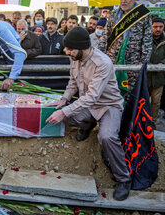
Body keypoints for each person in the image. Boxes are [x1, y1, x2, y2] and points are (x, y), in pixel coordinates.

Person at [46, 27, 131, 201]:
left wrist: (65, 111)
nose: (66, 52)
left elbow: (93, 96)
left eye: (70, 49)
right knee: (66, 117)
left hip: (108, 106)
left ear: (82, 47)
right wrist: (64, 99)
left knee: (106, 137)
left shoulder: (103, 63)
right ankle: (87, 124)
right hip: (88, 104)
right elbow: (72, 82)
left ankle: (124, 179)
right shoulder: (75, 57)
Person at [99, 0, 152, 96]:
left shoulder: (143, 14)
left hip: (133, 61)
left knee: (130, 92)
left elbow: (147, 40)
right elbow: (105, 36)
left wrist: (144, 60)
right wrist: (101, 56)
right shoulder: (113, 15)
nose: (124, 1)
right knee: (111, 89)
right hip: (113, 59)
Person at [148, 16, 165, 128]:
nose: (158, 29)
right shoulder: (145, 39)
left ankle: (152, 121)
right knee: (142, 99)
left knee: (156, 101)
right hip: (145, 76)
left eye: (160, 27)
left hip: (159, 77)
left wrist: (162, 63)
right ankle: (141, 119)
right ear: (151, 27)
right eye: (155, 27)